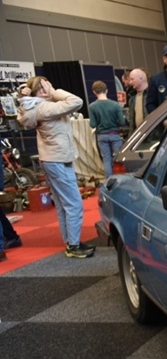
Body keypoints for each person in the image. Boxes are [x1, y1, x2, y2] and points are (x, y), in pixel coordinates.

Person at [17, 77, 95, 258]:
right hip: (58, 161)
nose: (50, 87)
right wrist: (53, 92)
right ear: (42, 90)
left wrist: (32, 94)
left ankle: (71, 242)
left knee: (62, 204)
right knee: (74, 204)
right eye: (46, 85)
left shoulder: (33, 106)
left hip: (51, 159)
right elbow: (77, 101)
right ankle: (73, 245)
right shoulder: (45, 108)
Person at [88, 80, 125, 179]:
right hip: (115, 134)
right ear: (107, 90)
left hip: (102, 136)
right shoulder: (115, 105)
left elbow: (92, 124)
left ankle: (109, 181)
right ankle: (120, 179)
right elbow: (122, 122)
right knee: (118, 158)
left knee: (106, 159)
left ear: (94, 92)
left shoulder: (92, 106)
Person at [127, 68, 149, 134]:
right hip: (138, 135)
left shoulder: (152, 95)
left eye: (132, 79)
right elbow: (131, 122)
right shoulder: (132, 99)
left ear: (141, 79)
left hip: (153, 136)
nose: (130, 82)